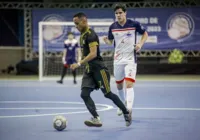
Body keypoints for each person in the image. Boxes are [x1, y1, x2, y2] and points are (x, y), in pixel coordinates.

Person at [70, 12, 132, 127]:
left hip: (99, 70)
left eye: (77, 23)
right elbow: (86, 54)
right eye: (74, 24)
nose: (76, 26)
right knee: (84, 94)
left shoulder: (91, 35)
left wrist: (79, 63)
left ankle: (126, 112)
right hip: (89, 71)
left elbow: (93, 54)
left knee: (108, 94)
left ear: (84, 21)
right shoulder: (82, 36)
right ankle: (96, 118)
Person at [103, 4, 148, 117]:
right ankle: (122, 104)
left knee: (129, 84)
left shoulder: (134, 24)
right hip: (117, 59)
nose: (118, 15)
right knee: (119, 86)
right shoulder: (112, 26)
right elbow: (110, 42)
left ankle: (128, 110)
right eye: (116, 13)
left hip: (130, 59)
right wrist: (106, 41)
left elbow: (145, 34)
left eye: (120, 12)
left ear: (125, 13)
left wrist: (140, 44)